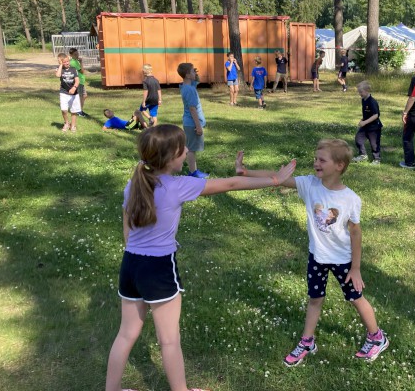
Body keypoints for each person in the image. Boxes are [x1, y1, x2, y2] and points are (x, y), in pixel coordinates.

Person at [105, 124, 297, 391]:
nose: (187, 152)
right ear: (171, 157)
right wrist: (274, 180)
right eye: (183, 149)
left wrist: (135, 249)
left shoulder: (134, 182)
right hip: (158, 268)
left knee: (126, 334)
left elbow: (127, 225)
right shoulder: (178, 186)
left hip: (130, 265)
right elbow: (230, 183)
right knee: (169, 340)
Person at [235, 139, 389, 367]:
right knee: (315, 298)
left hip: (342, 260)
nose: (315, 163)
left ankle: (377, 337)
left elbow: (356, 233)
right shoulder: (309, 184)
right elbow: (276, 176)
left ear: (339, 165)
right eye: (315, 158)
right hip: (317, 257)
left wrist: (355, 268)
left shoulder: (351, 199)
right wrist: (246, 172)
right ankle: (307, 341)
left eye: (321, 160)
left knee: (355, 298)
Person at [178, 63, 210, 178]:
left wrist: (194, 74)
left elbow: (197, 81)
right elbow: (192, 109)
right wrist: (198, 126)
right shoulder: (190, 90)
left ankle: (193, 170)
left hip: (189, 123)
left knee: (191, 147)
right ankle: (193, 172)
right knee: (191, 149)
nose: (195, 73)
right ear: (187, 75)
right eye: (192, 72)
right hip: (192, 124)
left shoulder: (186, 86)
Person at [352, 81, 382, 165]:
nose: (359, 93)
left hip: (374, 127)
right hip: (365, 125)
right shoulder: (363, 100)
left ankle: (377, 159)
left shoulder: (372, 102)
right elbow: (367, 113)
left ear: (367, 90)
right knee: (358, 139)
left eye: (361, 92)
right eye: (359, 92)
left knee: (374, 144)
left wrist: (364, 122)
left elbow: (376, 115)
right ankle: (363, 155)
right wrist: (363, 120)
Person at [55, 52, 81, 132]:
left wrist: (74, 88)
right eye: (64, 62)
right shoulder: (59, 69)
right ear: (61, 62)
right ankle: (66, 123)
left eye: (67, 61)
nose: (67, 63)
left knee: (74, 110)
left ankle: (73, 125)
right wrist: (60, 65)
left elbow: (77, 81)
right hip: (63, 92)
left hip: (74, 93)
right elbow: (58, 75)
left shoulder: (73, 69)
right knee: (64, 109)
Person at [69, 47, 88, 117]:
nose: (77, 55)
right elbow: (82, 71)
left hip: (81, 81)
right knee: (82, 96)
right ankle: (79, 111)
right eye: (75, 54)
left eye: (77, 54)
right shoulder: (73, 62)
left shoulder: (76, 61)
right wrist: (81, 62)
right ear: (71, 55)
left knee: (84, 96)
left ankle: (79, 110)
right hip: (78, 82)